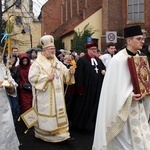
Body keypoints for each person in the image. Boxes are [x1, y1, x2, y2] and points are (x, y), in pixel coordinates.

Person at [92, 25, 150, 150]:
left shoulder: (140, 58)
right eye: (139, 38)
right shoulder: (117, 61)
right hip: (123, 110)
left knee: (141, 138)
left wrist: (146, 91)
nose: (142, 41)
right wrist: (130, 96)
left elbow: (144, 80)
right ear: (129, 41)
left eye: (143, 38)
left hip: (139, 107)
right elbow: (112, 91)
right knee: (125, 144)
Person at [28, 35, 75, 143]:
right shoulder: (37, 63)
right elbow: (32, 77)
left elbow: (64, 74)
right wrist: (46, 78)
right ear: (44, 50)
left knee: (58, 114)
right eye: (51, 49)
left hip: (58, 96)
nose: (53, 51)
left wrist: (70, 72)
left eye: (54, 49)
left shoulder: (57, 62)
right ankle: (44, 134)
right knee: (48, 113)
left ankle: (61, 134)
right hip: (45, 96)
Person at [71, 42, 105, 131]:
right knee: (84, 106)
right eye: (92, 49)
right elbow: (79, 75)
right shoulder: (82, 60)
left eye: (95, 49)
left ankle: (93, 124)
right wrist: (80, 88)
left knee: (95, 106)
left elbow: (103, 69)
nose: (94, 51)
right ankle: (81, 125)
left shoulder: (98, 60)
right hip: (86, 89)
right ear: (88, 50)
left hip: (97, 89)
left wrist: (103, 72)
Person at [0, 51, 20, 149]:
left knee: (5, 133)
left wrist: (9, 86)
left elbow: (12, 89)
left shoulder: (3, 68)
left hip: (4, 108)